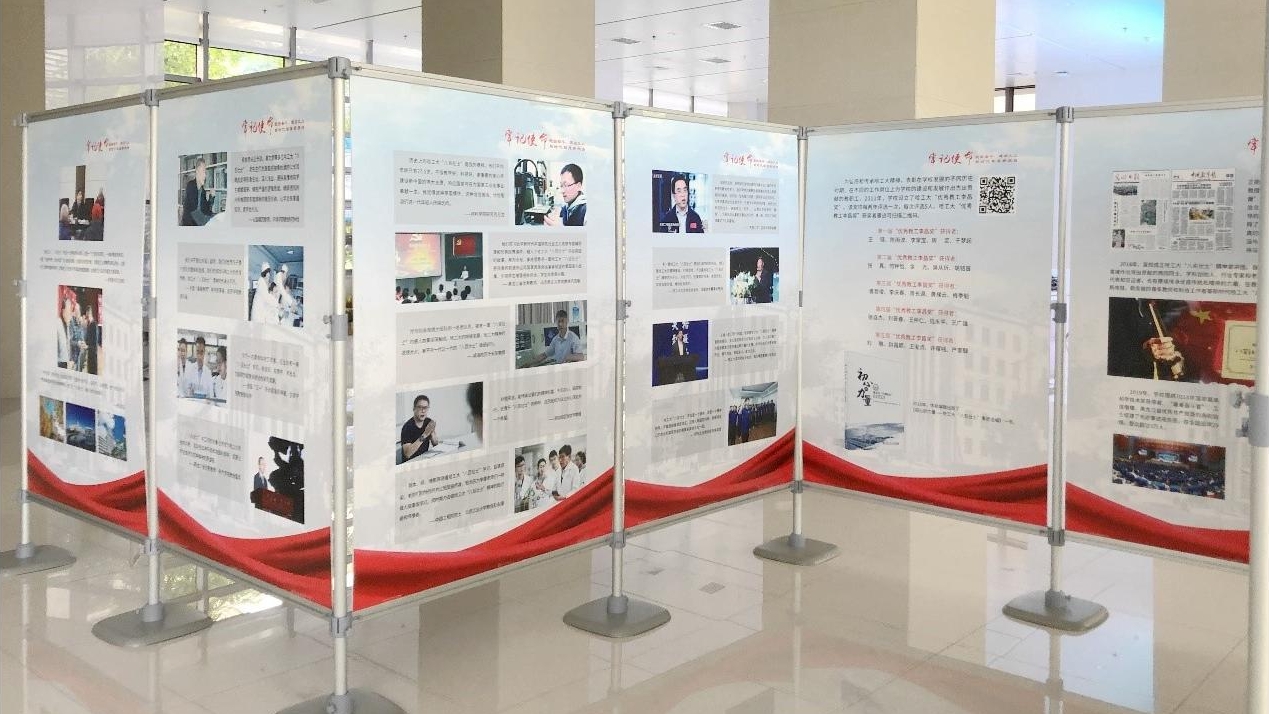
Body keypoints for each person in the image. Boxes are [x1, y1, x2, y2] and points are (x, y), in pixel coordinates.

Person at [1107, 298, 1189, 381]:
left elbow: (1183, 341)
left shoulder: (1173, 305)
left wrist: (1174, 352)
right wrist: (1142, 352)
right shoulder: (1116, 304)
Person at [400, 394, 438, 462]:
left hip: (424, 459)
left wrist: (432, 431)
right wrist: (425, 434)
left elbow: (435, 444)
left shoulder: (428, 421)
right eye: (420, 407)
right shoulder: (407, 427)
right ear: (414, 409)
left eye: (425, 407)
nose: (423, 411)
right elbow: (407, 454)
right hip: (411, 463)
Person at [181, 156, 215, 226]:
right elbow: (195, 213)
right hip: (189, 225)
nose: (205, 175)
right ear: (197, 171)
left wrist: (211, 197)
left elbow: (207, 210)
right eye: (203, 171)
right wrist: (209, 219)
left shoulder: (202, 191)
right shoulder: (190, 186)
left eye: (205, 172)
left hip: (198, 223)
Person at [56, 295, 74, 368]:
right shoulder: (57, 325)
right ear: (63, 311)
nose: (71, 314)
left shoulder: (67, 325)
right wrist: (65, 363)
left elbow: (68, 346)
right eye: (69, 310)